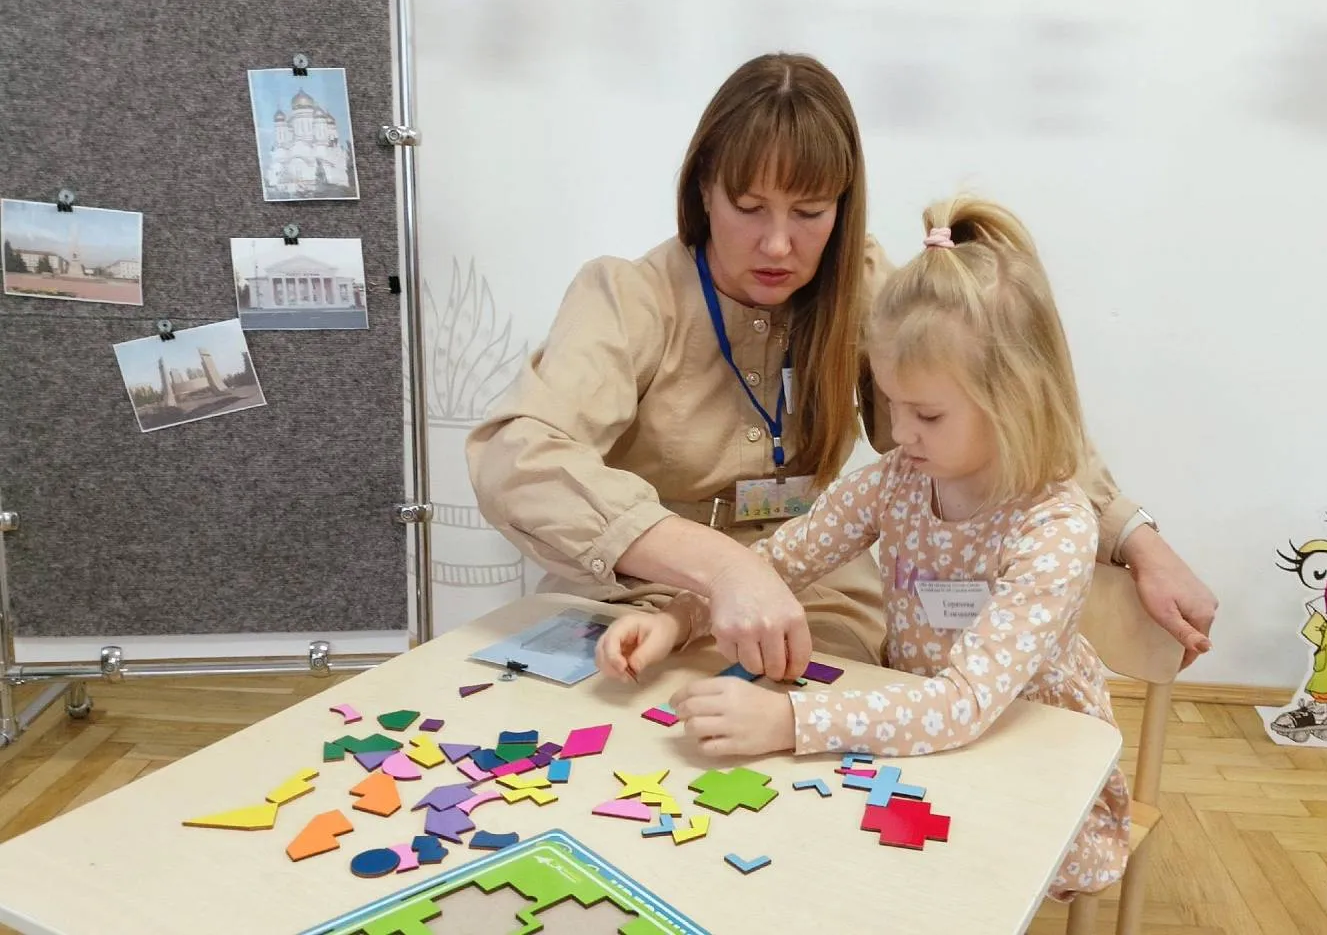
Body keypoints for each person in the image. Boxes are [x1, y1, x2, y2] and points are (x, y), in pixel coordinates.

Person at [466, 51, 1217, 680]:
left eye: (809, 212)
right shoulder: (628, 295)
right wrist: (720, 567)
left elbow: (1008, 413)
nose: (778, 245)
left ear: (844, 206)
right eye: (749, 206)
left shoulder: (865, 287)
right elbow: (518, 456)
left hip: (813, 593)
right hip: (637, 592)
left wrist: (1136, 539)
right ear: (703, 190)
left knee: (801, 750)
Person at [596, 196, 1129, 900]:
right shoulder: (900, 479)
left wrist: (787, 721)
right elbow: (779, 562)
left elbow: (965, 704)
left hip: (1028, 752)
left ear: (1017, 400)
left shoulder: (1054, 528)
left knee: (942, 883)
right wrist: (678, 617)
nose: (899, 433)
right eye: (890, 403)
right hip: (915, 733)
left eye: (927, 413)